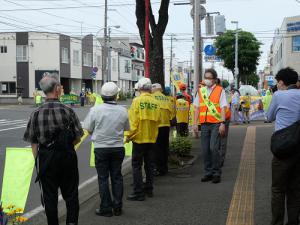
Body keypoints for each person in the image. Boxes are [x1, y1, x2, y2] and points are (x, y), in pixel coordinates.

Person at [23, 73, 83, 225]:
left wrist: (40, 160)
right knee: (71, 194)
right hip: (67, 156)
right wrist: (67, 147)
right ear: (57, 89)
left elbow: (33, 142)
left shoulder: (35, 113)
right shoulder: (68, 110)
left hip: (46, 159)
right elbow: (78, 137)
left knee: (49, 197)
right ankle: (71, 222)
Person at [83, 82, 129, 217]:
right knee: (117, 177)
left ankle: (106, 208)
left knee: (103, 178)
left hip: (101, 148)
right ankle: (118, 207)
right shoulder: (123, 110)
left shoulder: (95, 110)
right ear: (116, 96)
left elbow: (88, 128)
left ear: (102, 95)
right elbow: (126, 128)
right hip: (117, 147)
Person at [267, 67, 300, 225]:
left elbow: (269, 116)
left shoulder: (279, 95)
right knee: (295, 190)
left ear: (281, 82)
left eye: (277, 83)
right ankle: (293, 222)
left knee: (278, 189)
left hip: (283, 148)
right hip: (299, 148)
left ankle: (277, 222)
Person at [125, 78, 160, 200]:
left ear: (139, 88)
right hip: (151, 138)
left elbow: (133, 122)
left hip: (139, 139)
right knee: (150, 165)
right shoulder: (156, 102)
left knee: (136, 166)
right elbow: (158, 121)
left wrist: (128, 136)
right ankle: (149, 189)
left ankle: (138, 192)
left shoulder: (137, 101)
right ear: (150, 88)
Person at [193, 68, 227, 184]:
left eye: (209, 78)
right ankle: (208, 172)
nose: (207, 80)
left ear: (214, 79)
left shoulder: (220, 90)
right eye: (205, 77)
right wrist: (194, 124)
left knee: (213, 148)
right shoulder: (200, 91)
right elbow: (196, 107)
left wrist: (222, 123)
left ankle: (216, 172)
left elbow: (223, 107)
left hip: (216, 123)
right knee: (205, 149)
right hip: (204, 124)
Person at [152, 83, 173, 176]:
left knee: (156, 148)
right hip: (166, 125)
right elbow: (173, 113)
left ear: (154, 89)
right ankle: (164, 168)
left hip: (156, 126)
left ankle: (157, 168)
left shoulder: (152, 98)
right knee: (164, 147)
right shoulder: (167, 99)